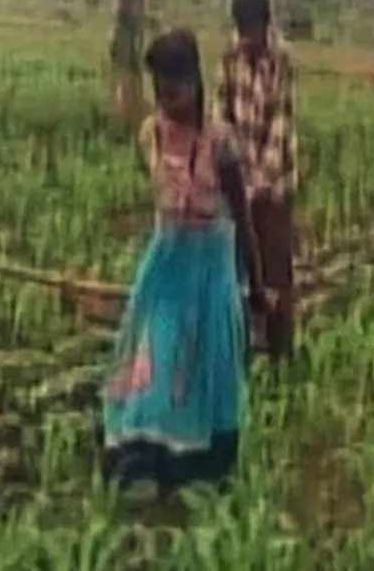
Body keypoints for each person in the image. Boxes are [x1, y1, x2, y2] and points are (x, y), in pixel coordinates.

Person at [99, 27, 266, 497]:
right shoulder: (151, 133)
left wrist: (254, 289)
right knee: (158, 352)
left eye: (172, 89)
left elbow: (243, 217)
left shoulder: (222, 144)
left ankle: (199, 465)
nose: (165, 100)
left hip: (211, 264)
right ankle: (143, 456)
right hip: (168, 259)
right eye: (159, 90)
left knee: (207, 364)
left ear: (194, 82)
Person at [215, 0, 299, 361]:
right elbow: (221, 115)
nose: (246, 40)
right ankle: (242, 347)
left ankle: (281, 353)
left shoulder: (282, 59)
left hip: (275, 181)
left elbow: (280, 126)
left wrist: (258, 184)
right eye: (241, 32)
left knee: (275, 268)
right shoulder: (229, 55)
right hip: (238, 177)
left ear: (265, 25)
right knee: (239, 268)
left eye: (251, 32)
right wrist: (231, 174)